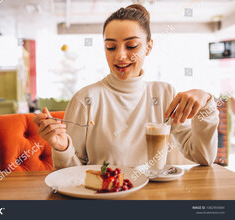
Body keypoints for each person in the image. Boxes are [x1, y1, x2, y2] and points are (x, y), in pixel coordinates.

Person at [33, 4, 219, 169]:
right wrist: (62, 147)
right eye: (111, 47)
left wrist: (206, 101)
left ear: (148, 47)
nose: (120, 56)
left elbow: (202, 157)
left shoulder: (164, 93)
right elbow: (71, 175)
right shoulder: (85, 99)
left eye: (131, 46)